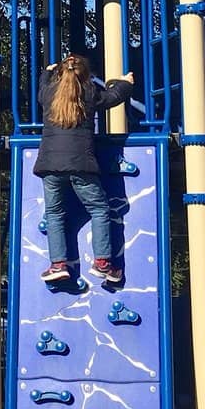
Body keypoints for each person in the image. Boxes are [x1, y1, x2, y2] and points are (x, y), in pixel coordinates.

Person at [34, 55, 134, 285]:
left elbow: (41, 90)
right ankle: (102, 263)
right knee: (99, 209)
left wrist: (47, 72)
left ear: (60, 74)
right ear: (86, 75)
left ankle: (58, 265)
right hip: (81, 165)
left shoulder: (49, 93)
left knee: (54, 214)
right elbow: (113, 97)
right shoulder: (89, 93)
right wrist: (125, 83)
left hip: (50, 166)